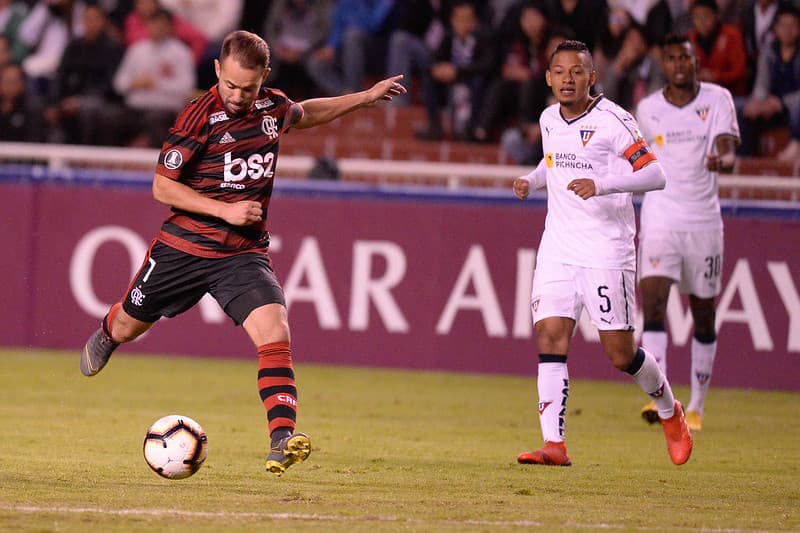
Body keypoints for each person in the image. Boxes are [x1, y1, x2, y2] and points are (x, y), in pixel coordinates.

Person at [80, 30, 406, 476]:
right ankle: (108, 333)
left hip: (241, 254)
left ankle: (282, 438)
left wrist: (364, 98)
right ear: (217, 69)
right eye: (230, 84)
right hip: (184, 248)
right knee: (128, 325)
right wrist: (225, 210)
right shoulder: (197, 117)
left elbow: (306, 113)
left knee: (275, 330)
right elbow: (162, 187)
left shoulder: (272, 107)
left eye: (247, 88)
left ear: (263, 78)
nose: (236, 95)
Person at [512, 40, 692, 467]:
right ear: (548, 77)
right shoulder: (549, 118)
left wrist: (603, 184)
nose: (567, 79)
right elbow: (553, 162)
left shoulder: (615, 121)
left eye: (577, 72)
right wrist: (531, 181)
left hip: (605, 251)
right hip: (557, 247)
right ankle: (554, 445)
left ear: (592, 77)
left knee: (620, 354)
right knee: (549, 337)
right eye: (559, 72)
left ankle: (669, 409)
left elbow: (655, 174)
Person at [636, 34, 740, 432]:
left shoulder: (717, 99)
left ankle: (695, 407)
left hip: (703, 222)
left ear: (696, 61)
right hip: (660, 216)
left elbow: (728, 147)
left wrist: (723, 160)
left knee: (703, 314)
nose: (679, 64)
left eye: (686, 57)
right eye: (672, 58)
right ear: (663, 64)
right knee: (654, 302)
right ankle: (661, 398)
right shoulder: (648, 109)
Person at [113, 7, 196, 147]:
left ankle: (163, 158)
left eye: (161, 24)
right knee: (111, 118)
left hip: (165, 109)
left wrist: (157, 84)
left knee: (155, 120)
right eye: (153, 24)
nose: (156, 28)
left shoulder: (181, 52)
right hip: (135, 107)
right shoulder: (136, 50)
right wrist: (134, 83)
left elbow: (187, 87)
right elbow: (119, 83)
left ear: (170, 27)